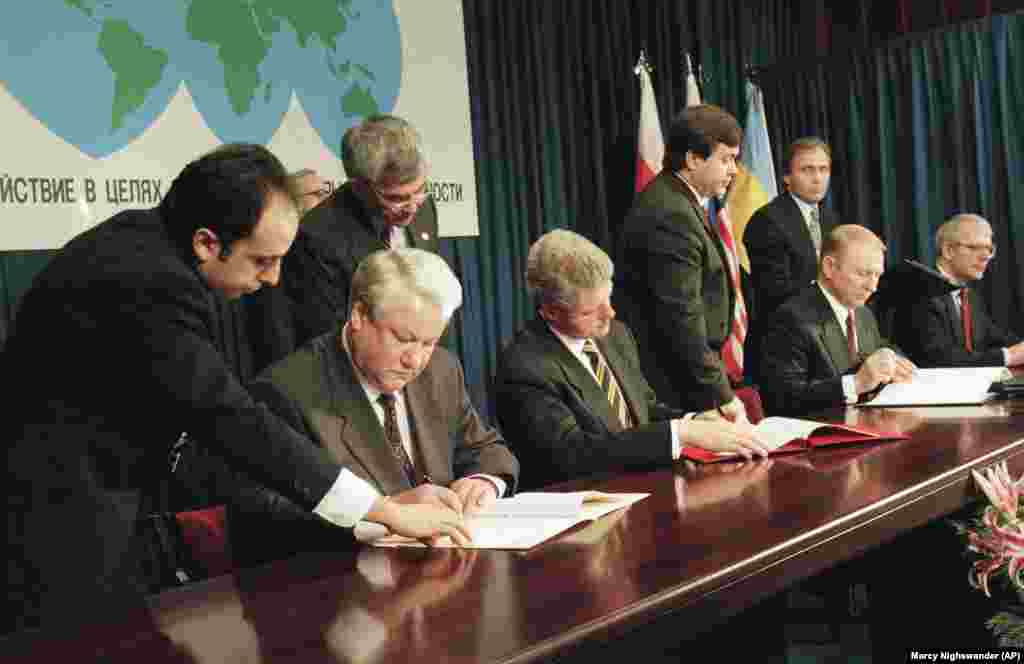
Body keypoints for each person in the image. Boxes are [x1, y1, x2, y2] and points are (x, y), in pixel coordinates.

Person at [2, 144, 469, 635]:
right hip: (52, 516)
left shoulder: (147, 245)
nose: (272, 279)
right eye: (262, 260)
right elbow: (231, 419)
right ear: (207, 243)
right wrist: (384, 511)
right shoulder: (151, 284)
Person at [229, 248, 518, 566]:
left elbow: (484, 447)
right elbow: (263, 515)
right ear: (359, 316)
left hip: (443, 575)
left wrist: (483, 482)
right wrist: (385, 511)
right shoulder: (288, 389)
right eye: (403, 338)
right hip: (337, 590)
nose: (415, 360)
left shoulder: (442, 370)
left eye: (429, 342)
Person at [495, 230, 767, 490]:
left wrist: (697, 421)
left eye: (608, 298)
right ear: (551, 312)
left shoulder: (616, 335)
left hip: (644, 490)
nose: (610, 314)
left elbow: (643, 411)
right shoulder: (524, 367)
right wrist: (680, 433)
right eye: (591, 311)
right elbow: (570, 455)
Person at [616, 104, 749, 418]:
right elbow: (681, 320)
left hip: (687, 379)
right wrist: (721, 396)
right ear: (692, 159)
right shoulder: (671, 213)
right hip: (677, 387)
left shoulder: (679, 202)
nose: (734, 171)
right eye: (726, 159)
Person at [757, 225, 915, 416]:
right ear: (829, 267)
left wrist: (894, 358)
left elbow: (878, 348)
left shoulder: (863, 313)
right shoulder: (791, 318)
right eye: (864, 274)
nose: (873, 287)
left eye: (877, 276)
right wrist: (856, 383)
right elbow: (782, 399)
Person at [892, 213, 1023, 367]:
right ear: (948, 250)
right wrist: (1008, 356)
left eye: (989, 249)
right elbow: (938, 358)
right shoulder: (919, 291)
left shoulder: (968, 296)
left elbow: (994, 336)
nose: (985, 256)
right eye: (974, 247)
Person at [743, 137, 840, 319]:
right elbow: (774, 292)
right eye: (807, 170)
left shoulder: (830, 219)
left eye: (823, 169)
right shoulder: (766, 221)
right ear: (787, 177)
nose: (817, 178)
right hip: (786, 329)